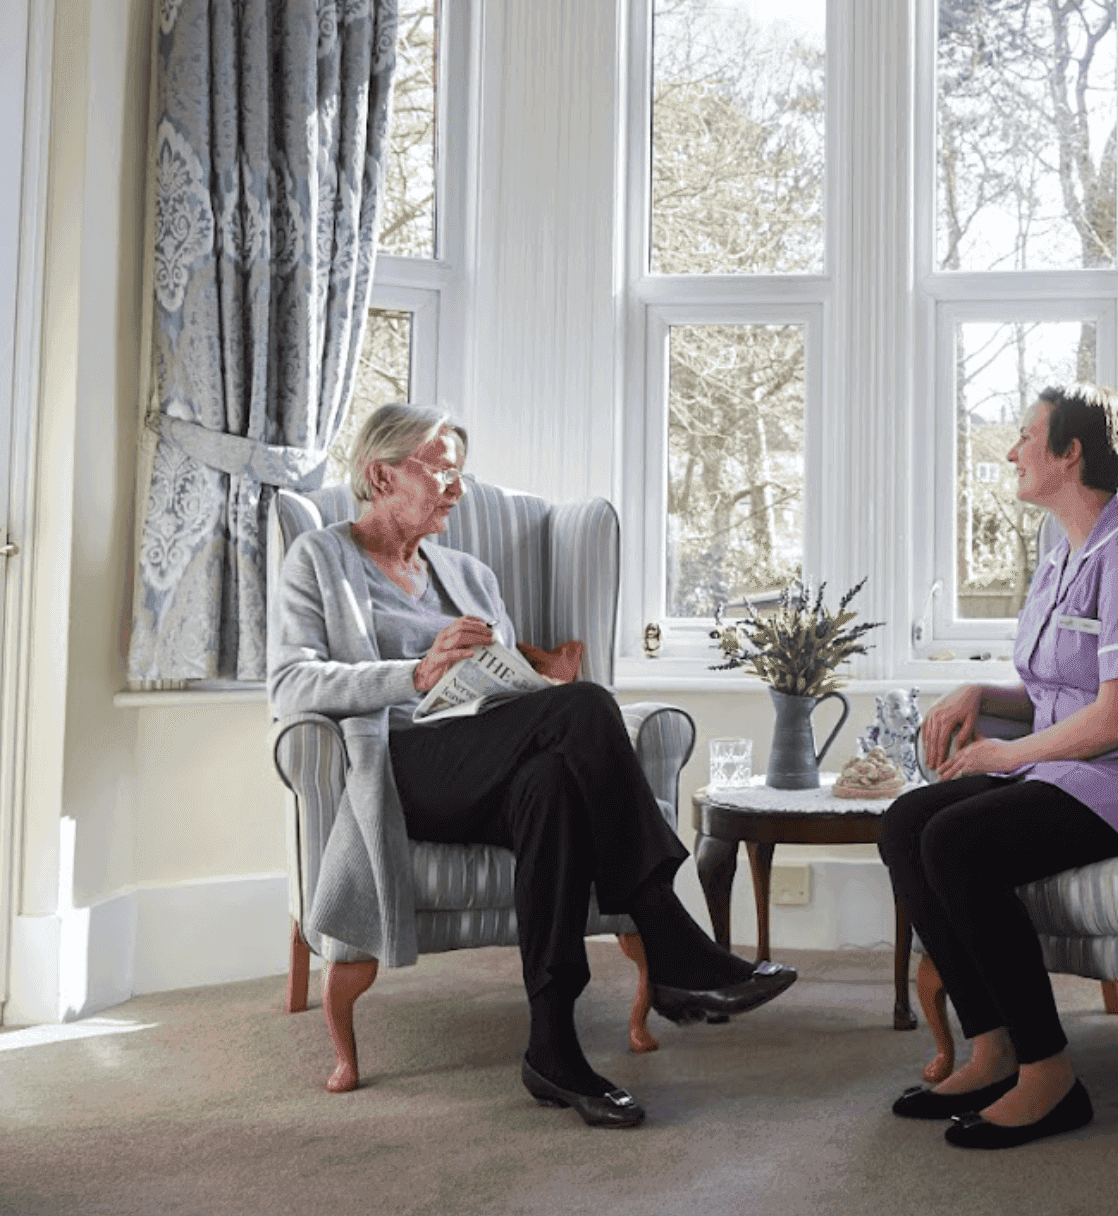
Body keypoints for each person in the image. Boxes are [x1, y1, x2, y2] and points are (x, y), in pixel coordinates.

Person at [268, 403, 796, 1129]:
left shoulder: (471, 575)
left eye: (461, 470)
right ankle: (670, 939)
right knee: (583, 706)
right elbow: (291, 685)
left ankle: (552, 1050)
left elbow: (508, 681)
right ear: (380, 473)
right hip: (400, 763)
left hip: (487, 750)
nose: (456, 486)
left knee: (551, 782)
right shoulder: (320, 558)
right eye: (438, 468)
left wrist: (524, 684)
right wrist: (416, 673)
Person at [877, 382, 1118, 1149]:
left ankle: (1049, 1073)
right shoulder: (1062, 553)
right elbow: (1059, 690)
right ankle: (992, 1046)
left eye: (1027, 436)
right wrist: (982, 695)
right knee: (907, 822)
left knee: (957, 840)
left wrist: (1004, 753)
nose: (1012, 451)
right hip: (1080, 763)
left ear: (1070, 453)